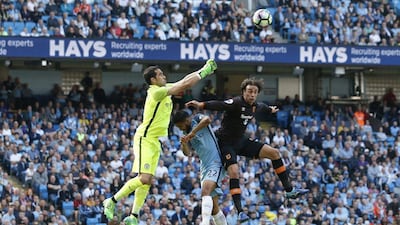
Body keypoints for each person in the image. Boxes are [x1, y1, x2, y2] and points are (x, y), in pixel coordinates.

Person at [102, 59, 218, 225]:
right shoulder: (155, 92)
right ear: (153, 80)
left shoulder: (164, 89)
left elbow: (185, 81)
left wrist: (203, 70)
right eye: (160, 75)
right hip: (145, 138)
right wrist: (205, 70)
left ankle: (134, 216)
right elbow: (185, 84)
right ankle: (111, 201)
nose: (164, 76)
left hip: (155, 141)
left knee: (147, 180)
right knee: (144, 178)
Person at [186, 77, 308, 222]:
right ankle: (240, 212)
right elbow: (220, 104)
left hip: (241, 142)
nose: (252, 95)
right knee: (234, 172)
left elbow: (264, 107)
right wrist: (201, 104)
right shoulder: (236, 103)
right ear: (243, 92)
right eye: (249, 91)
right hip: (225, 144)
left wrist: (271, 109)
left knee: (274, 153)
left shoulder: (256, 106)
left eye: (255, 92)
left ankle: (289, 191)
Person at [172, 110, 227, 225]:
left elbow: (207, 120)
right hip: (204, 166)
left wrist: (192, 132)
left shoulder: (197, 118)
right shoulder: (186, 133)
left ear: (186, 120)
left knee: (205, 191)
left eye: (180, 125)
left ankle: (204, 222)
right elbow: (188, 154)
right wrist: (184, 143)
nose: (180, 128)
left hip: (215, 161)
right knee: (214, 208)